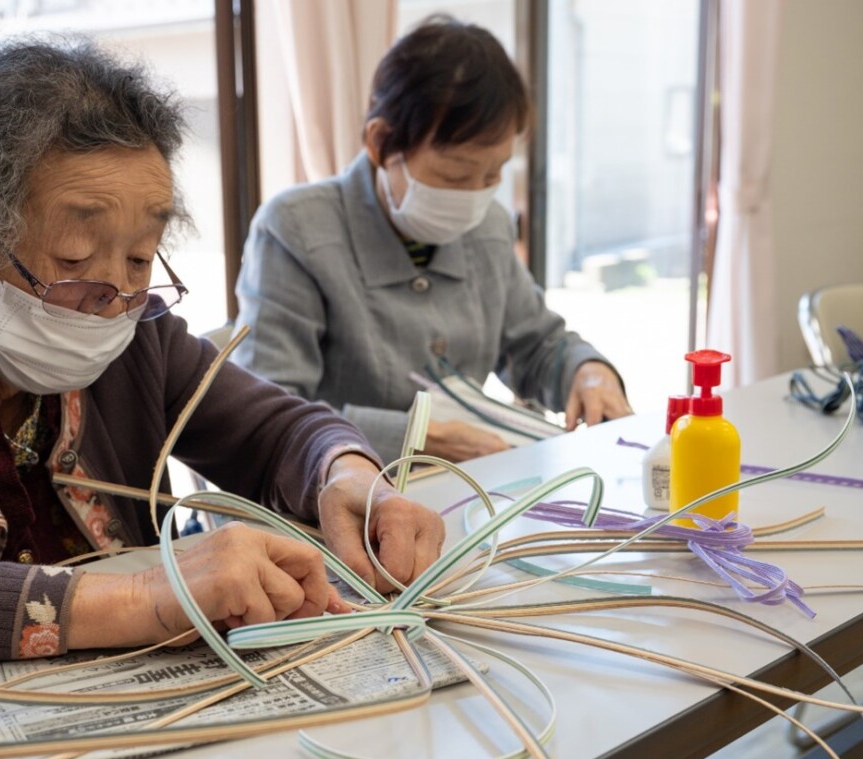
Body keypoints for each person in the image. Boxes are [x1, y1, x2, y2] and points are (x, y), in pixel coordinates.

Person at [0, 39, 444, 668]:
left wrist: (348, 477)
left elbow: (282, 432)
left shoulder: (141, 338)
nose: (115, 300)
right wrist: (146, 596)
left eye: (139, 258)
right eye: (73, 258)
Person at [233, 17, 631, 465]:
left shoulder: (489, 226)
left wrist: (586, 371)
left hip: (460, 492)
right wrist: (411, 437)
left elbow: (536, 344)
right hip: (333, 501)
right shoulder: (295, 230)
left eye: (493, 173)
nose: (476, 194)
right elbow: (269, 411)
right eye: (455, 175)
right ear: (381, 143)